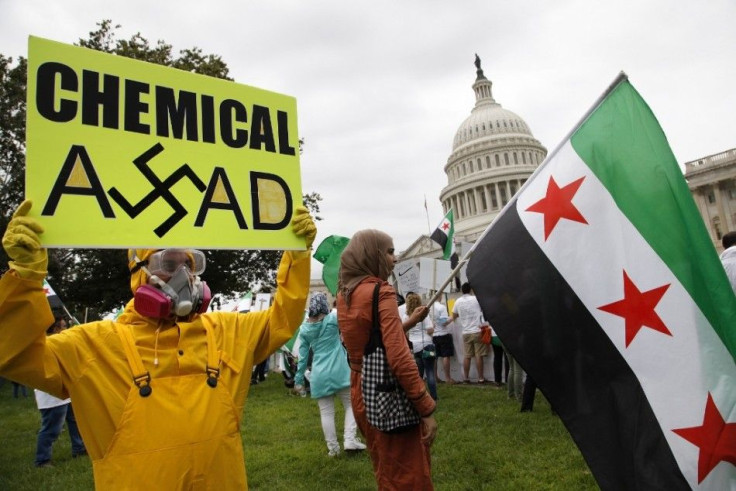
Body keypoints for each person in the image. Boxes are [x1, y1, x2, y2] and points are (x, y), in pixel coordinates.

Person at [0, 200, 316, 489]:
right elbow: (17, 356)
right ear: (139, 273)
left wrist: (296, 255)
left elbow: (282, 321)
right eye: (168, 263)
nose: (182, 275)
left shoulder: (225, 331)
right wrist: (24, 279)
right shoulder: (93, 345)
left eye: (189, 265)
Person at [337, 229, 437, 490]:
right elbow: (398, 355)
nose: (395, 258)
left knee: (384, 468)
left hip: (362, 387)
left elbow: (373, 342)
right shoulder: (381, 290)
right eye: (390, 251)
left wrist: (408, 323)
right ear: (374, 254)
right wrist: (425, 406)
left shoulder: (345, 293)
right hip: (388, 389)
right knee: (410, 474)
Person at [294, 292, 366, 457]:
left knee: (326, 412)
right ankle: (350, 439)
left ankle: (333, 449)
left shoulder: (304, 330)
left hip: (319, 375)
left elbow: (303, 358)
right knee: (352, 404)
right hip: (340, 370)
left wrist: (299, 380)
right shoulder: (333, 319)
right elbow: (352, 323)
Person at [34, 317, 87, 467]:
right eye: (64, 326)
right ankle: (42, 460)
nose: (66, 329)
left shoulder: (60, 343)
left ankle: (79, 448)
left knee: (75, 422)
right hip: (52, 396)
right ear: (56, 329)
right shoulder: (46, 345)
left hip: (66, 393)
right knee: (52, 428)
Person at [403, 293, 438, 400]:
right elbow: (430, 330)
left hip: (415, 347)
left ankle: (421, 397)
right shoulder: (423, 314)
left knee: (419, 375)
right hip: (426, 345)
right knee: (430, 372)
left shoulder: (406, 316)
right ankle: (434, 397)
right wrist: (433, 325)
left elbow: (406, 332)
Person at [452, 282, 488, 383]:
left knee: (467, 356)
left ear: (462, 291)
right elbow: (483, 309)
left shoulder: (458, 301)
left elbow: (454, 315)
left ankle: (466, 378)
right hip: (477, 330)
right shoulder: (476, 299)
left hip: (466, 332)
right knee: (478, 355)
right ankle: (480, 378)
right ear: (471, 290)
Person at [430, 300, 456, 384]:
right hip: (443, 334)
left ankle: (435, 377)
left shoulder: (429, 307)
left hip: (434, 335)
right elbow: (444, 323)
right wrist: (452, 317)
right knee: (446, 356)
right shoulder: (441, 307)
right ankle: (448, 378)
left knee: (435, 357)